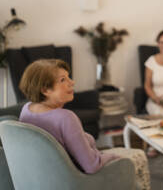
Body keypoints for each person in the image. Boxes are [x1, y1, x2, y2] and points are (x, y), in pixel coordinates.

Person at [18, 59, 150, 190]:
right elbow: (91, 166)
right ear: (45, 90)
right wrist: (113, 156)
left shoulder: (27, 109)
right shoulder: (66, 118)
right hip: (76, 181)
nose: (72, 82)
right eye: (63, 80)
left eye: (68, 77)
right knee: (137, 157)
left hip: (44, 180)